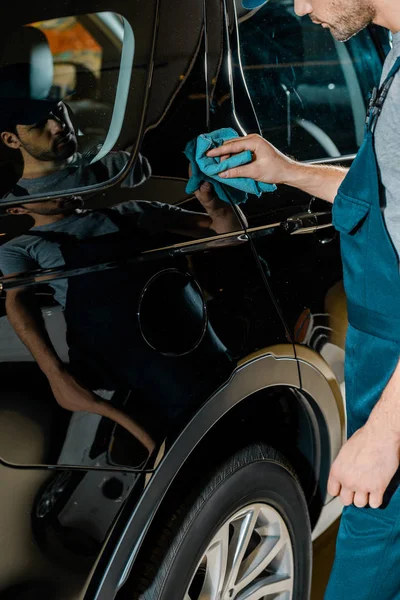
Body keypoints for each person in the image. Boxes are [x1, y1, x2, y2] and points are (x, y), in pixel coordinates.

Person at [208, 0, 400, 597]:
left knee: (368, 562)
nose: (298, 6)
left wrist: (384, 436)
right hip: (382, 361)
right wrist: (288, 169)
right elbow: (388, 197)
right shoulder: (394, 55)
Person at [0, 181, 242, 455]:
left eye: (65, 177)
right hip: (131, 368)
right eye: (44, 188)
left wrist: (212, 202)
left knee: (240, 418)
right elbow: (18, 300)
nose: (62, 186)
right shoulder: (20, 249)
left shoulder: (133, 211)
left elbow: (228, 234)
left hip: (197, 344)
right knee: (196, 447)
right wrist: (55, 374)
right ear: (18, 209)